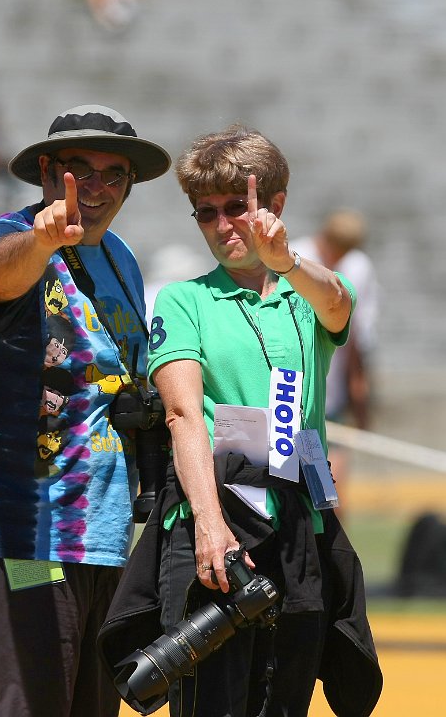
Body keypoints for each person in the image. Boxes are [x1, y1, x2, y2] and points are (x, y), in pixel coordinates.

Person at [99, 124, 382, 717]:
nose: (223, 225)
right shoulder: (184, 300)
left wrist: (288, 261)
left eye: (238, 207)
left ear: (275, 205)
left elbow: (338, 304)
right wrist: (208, 524)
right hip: (217, 526)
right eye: (206, 213)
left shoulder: (308, 293)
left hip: (299, 526)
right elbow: (181, 413)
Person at [0, 104, 171, 717]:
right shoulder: (4, 239)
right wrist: (42, 240)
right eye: (78, 169)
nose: (94, 188)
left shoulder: (121, 258)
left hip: (106, 543)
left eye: (112, 174)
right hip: (18, 543)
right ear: (47, 171)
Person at [293, 210, 378, 517]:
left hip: (332, 401)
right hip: (296, 397)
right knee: (302, 494)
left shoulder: (359, 269)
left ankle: (331, 559)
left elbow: (359, 341)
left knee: (330, 496)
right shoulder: (294, 257)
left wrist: (360, 397)